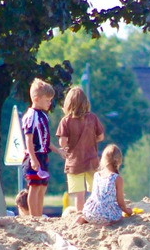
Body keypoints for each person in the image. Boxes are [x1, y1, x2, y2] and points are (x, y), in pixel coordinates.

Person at [56, 86, 104, 213]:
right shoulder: (92, 118)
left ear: (68, 103)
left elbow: (63, 142)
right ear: (85, 103)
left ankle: (80, 214)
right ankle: (95, 212)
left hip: (74, 162)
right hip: (91, 160)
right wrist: (90, 141)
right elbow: (101, 136)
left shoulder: (65, 121)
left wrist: (65, 146)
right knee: (95, 190)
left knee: (79, 194)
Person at [21, 78, 61, 217]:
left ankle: (39, 214)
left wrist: (57, 150)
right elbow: (29, 139)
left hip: (44, 155)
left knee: (43, 186)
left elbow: (46, 139)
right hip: (34, 156)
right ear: (37, 99)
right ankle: (34, 216)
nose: (50, 103)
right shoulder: (31, 116)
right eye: (47, 100)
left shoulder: (44, 116)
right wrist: (32, 158)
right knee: (34, 186)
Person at [78, 145, 134, 226]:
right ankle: (106, 223)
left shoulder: (97, 175)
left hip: (90, 212)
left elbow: (94, 196)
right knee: (118, 217)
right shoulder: (117, 178)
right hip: (106, 215)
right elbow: (121, 203)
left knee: (85, 216)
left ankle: (83, 220)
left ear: (103, 159)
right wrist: (128, 211)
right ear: (119, 161)